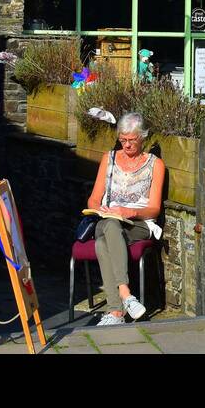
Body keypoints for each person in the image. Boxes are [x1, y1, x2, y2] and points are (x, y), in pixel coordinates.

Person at [85, 112, 165, 325]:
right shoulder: (108, 158)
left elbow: (154, 209)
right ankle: (127, 295)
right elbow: (92, 200)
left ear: (143, 137)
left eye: (132, 140)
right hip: (108, 219)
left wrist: (131, 213)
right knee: (110, 224)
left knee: (103, 244)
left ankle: (116, 312)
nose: (127, 145)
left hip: (138, 223)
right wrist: (100, 208)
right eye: (123, 140)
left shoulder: (155, 165)